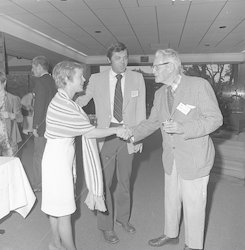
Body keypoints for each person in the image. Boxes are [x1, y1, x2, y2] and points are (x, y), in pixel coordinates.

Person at [124, 49, 223, 250]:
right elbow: (152, 123)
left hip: (195, 157)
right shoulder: (160, 94)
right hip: (171, 157)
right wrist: (131, 133)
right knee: (171, 199)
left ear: (170, 66)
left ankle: (194, 245)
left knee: (194, 205)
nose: (152, 70)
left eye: (156, 66)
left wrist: (183, 128)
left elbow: (215, 119)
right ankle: (171, 234)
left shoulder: (198, 86)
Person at [41, 61, 127, 250]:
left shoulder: (63, 100)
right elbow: (90, 132)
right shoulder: (64, 104)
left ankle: (55, 244)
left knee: (56, 208)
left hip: (56, 159)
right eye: (80, 76)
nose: (85, 79)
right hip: (58, 162)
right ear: (67, 79)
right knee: (63, 213)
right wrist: (117, 130)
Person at [76, 42, 146, 244]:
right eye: (118, 58)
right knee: (104, 183)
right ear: (109, 60)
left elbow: (140, 109)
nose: (122, 62)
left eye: (125, 57)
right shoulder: (96, 79)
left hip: (127, 135)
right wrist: (66, 101)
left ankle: (123, 219)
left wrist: (138, 136)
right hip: (105, 136)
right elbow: (82, 99)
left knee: (125, 182)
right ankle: (106, 227)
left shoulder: (137, 78)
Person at [31, 55, 57, 192]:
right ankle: (50, 182)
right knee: (51, 156)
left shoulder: (40, 81)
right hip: (54, 126)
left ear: (40, 67)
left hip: (42, 127)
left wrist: (35, 127)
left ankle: (38, 185)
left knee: (38, 156)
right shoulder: (54, 80)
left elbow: (39, 106)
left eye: (33, 67)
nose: (32, 70)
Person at [0, 71, 23, 156]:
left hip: (9, 140)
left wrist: (10, 115)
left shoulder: (13, 98)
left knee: (9, 165)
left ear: (4, 83)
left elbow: (20, 118)